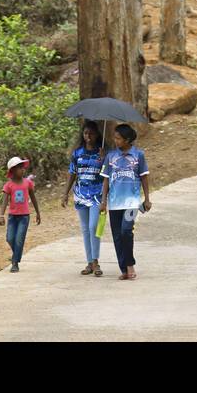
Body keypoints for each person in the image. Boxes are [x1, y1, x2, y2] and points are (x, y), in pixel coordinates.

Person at [99, 124, 151, 280]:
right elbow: (106, 180)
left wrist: (147, 198)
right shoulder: (110, 156)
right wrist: (103, 201)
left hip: (131, 203)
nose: (115, 141)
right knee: (117, 236)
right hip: (114, 203)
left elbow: (144, 177)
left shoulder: (138, 155)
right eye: (114, 138)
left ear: (127, 140)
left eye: (118, 138)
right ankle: (123, 269)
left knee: (126, 231)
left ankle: (130, 264)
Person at [63, 120, 104, 276]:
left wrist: (102, 160)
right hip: (80, 194)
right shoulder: (77, 153)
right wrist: (65, 193)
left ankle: (96, 261)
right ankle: (89, 263)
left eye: (91, 133)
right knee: (85, 229)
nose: (88, 136)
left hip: (97, 194)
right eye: (86, 133)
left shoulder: (102, 153)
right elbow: (72, 173)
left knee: (94, 227)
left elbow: (107, 174)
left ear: (97, 134)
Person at [0, 154, 41, 272]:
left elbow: (33, 198)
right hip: (12, 216)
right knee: (10, 238)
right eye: (19, 167)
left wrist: (38, 213)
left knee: (19, 239)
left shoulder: (27, 183)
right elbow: (4, 201)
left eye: (23, 167)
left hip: (24, 217)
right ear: (13, 170)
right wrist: (1, 215)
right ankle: (17, 254)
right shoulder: (9, 185)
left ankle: (15, 262)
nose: (23, 169)